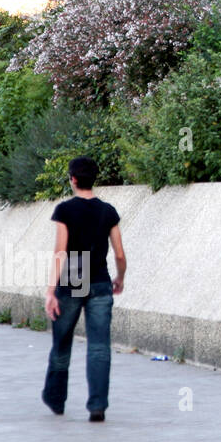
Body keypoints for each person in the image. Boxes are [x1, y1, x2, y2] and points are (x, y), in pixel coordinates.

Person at [42, 156, 126, 421]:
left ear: (73, 179)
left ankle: (56, 399)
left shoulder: (65, 210)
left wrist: (51, 291)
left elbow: (61, 252)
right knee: (100, 346)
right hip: (101, 279)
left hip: (74, 277)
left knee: (62, 344)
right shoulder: (108, 211)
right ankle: (97, 406)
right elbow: (120, 254)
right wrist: (120, 277)